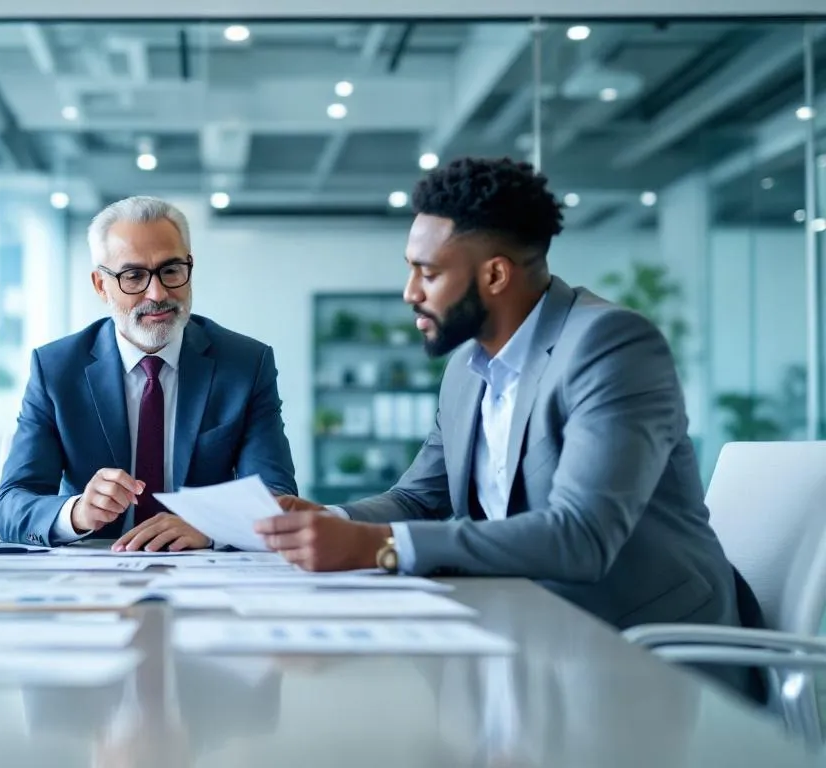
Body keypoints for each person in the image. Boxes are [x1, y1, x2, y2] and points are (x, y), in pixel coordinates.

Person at [254, 157, 762, 697]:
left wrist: (376, 546)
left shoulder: (610, 345)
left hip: (642, 655)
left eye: (428, 273)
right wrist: (329, 519)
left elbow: (580, 536)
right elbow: (416, 498)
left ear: (494, 275)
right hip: (527, 639)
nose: (410, 292)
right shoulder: (465, 369)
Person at [0, 196, 297, 551]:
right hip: (94, 578)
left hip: (207, 572)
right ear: (100, 285)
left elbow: (278, 496)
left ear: (190, 267)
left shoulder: (245, 364)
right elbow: (11, 506)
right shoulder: (57, 369)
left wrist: (213, 529)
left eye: (171, 271)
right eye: (133, 276)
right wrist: (76, 512)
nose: (157, 293)